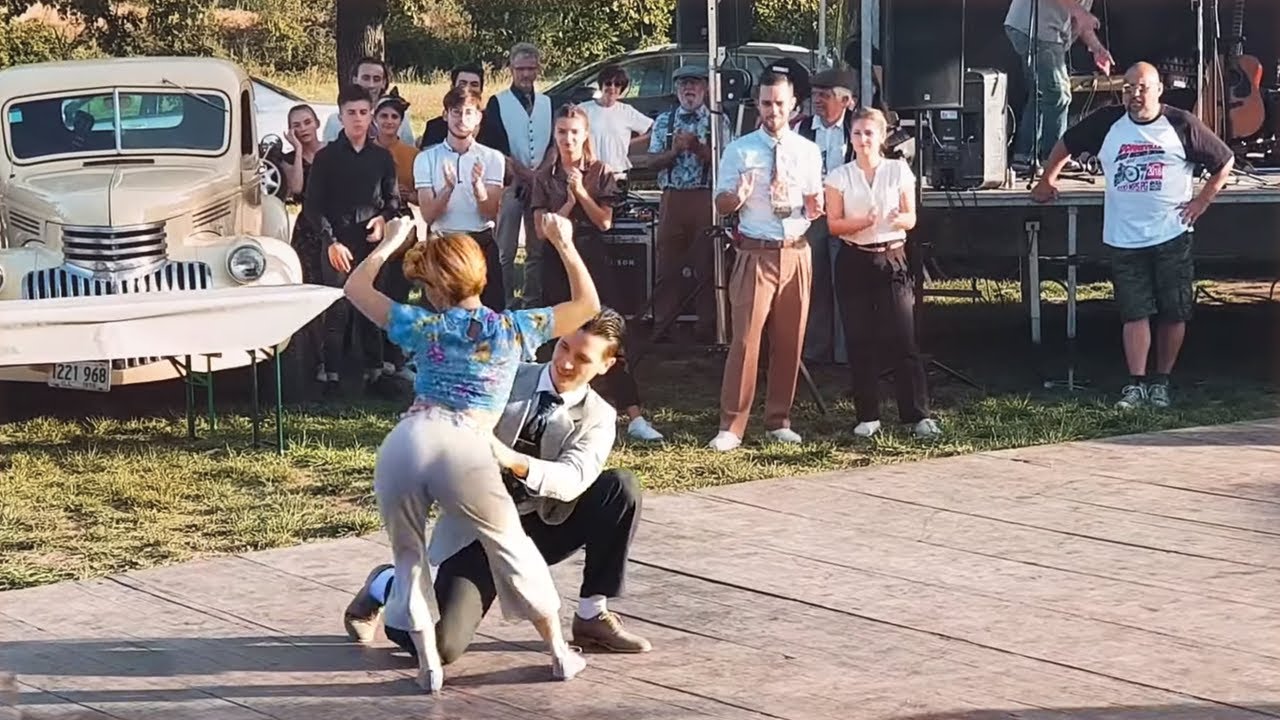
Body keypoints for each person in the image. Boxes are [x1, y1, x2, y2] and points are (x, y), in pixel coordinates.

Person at [341, 211, 601, 692]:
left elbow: (355, 289)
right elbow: (588, 304)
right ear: (480, 274)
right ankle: (559, 652)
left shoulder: (422, 326)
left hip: (409, 437)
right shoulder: (514, 328)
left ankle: (429, 667)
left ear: (437, 290)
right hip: (465, 444)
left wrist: (391, 242)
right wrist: (563, 243)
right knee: (512, 547)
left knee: (408, 553)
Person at [343, 309, 653, 666]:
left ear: (606, 365)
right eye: (564, 347)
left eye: (582, 358)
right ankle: (386, 583)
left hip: (545, 526)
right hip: (477, 530)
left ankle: (591, 614)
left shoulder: (599, 416)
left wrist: (510, 458)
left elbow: (571, 481)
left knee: (621, 487)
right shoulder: (506, 377)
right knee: (441, 646)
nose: (565, 363)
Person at [1032, 62, 1233, 409]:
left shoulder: (1181, 123)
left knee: (1174, 311)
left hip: (1171, 232)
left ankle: (1162, 382)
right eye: (1127, 88)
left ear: (1158, 90)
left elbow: (1224, 160)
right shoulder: (1108, 121)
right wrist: (1048, 178)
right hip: (1125, 236)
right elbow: (1066, 143)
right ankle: (1136, 384)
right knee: (1134, 311)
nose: (1134, 95)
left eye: (1141, 88)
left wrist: (1202, 200)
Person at [531, 104, 664, 442]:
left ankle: (633, 415)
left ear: (585, 134)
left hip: (591, 257)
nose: (567, 139)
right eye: (562, 132)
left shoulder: (600, 170)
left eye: (574, 132)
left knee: (608, 334)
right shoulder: (544, 176)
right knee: (559, 336)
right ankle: (556, 413)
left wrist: (581, 192)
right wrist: (569, 202)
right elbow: (540, 231)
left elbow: (604, 221)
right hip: (556, 259)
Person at [708, 71, 824, 452]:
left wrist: (815, 207)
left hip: (795, 251)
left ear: (793, 105)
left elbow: (812, 203)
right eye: (766, 103)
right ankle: (732, 426)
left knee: (789, 342)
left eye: (779, 103)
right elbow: (721, 202)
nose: (773, 111)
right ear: (757, 105)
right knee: (745, 342)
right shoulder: (740, 150)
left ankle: (779, 419)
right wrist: (736, 198)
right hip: (755, 252)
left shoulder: (807, 151)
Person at [825, 108, 941, 440]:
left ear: (882, 136)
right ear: (851, 136)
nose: (863, 140)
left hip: (892, 258)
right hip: (853, 260)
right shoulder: (839, 176)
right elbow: (834, 225)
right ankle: (868, 416)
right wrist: (860, 223)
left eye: (869, 133)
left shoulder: (897, 170)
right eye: (857, 133)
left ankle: (917, 415)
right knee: (860, 340)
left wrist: (895, 219)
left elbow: (910, 218)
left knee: (903, 337)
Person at [300, 85, 403, 394]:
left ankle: (375, 372)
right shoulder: (326, 158)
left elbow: (393, 199)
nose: (357, 120)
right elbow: (312, 205)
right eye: (351, 113)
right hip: (337, 244)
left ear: (370, 115)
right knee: (337, 309)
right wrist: (330, 241)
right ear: (340, 116)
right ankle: (331, 374)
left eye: (362, 113)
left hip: (370, 245)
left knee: (371, 306)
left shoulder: (382, 158)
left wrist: (382, 218)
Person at [637, 64, 729, 343]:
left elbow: (727, 164)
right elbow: (651, 161)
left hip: (705, 197)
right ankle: (665, 325)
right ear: (676, 89)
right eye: (683, 85)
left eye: (695, 84)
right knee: (667, 264)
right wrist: (675, 151)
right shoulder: (665, 120)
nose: (689, 90)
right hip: (672, 199)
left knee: (707, 263)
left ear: (706, 88)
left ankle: (708, 327)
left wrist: (699, 149)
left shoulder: (717, 121)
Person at [414, 86, 506, 311]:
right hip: (443, 243)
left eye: (468, 112)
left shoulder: (492, 158)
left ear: (478, 117)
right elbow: (428, 215)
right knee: (439, 320)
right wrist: (447, 188)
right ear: (445, 115)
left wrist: (477, 186)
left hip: (479, 243)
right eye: (455, 112)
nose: (461, 119)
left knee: (488, 316)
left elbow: (490, 211)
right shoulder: (426, 158)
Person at [478, 42, 554, 309]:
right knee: (505, 250)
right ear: (511, 68)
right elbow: (492, 146)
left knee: (537, 249)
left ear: (538, 69)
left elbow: (554, 143)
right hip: (510, 184)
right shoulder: (498, 102)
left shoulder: (547, 102)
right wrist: (521, 173)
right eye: (520, 69)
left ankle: (533, 302)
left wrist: (541, 174)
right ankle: (506, 301)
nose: (525, 74)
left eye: (531, 69)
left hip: (540, 186)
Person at [794, 68, 859, 367]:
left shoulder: (856, 130)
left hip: (847, 215)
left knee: (846, 281)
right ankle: (815, 351)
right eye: (815, 95)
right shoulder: (802, 129)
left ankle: (847, 354)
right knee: (815, 281)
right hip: (814, 217)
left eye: (826, 95)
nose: (818, 101)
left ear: (846, 100)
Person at [1004, 0, 1114, 174]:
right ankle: (1053, 158)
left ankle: (1023, 156)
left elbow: (1081, 22)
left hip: (1042, 33)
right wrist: (1080, 12)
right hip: (1034, 30)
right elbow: (1080, 14)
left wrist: (1097, 48)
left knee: (1042, 94)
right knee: (1058, 94)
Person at [281, 104, 330, 383]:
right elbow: (297, 188)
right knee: (310, 286)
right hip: (306, 227)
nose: (302, 129)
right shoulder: (288, 159)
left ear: (316, 123)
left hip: (332, 223)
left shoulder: (332, 151)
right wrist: (299, 152)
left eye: (307, 122)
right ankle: (314, 360)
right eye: (296, 125)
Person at [321, 56, 416, 145]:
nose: (371, 85)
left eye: (376, 79)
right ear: (355, 80)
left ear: (384, 83)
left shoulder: (398, 117)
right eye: (366, 78)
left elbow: (408, 149)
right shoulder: (335, 121)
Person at [579, 64, 653, 176]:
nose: (612, 88)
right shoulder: (583, 109)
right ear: (601, 85)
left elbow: (654, 128)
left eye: (617, 84)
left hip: (617, 171)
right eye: (608, 83)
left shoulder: (627, 111)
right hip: (589, 171)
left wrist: (630, 142)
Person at [419, 63, 485, 150]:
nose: (467, 88)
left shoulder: (492, 127)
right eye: (462, 84)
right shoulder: (434, 127)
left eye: (474, 85)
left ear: (481, 90)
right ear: (452, 87)